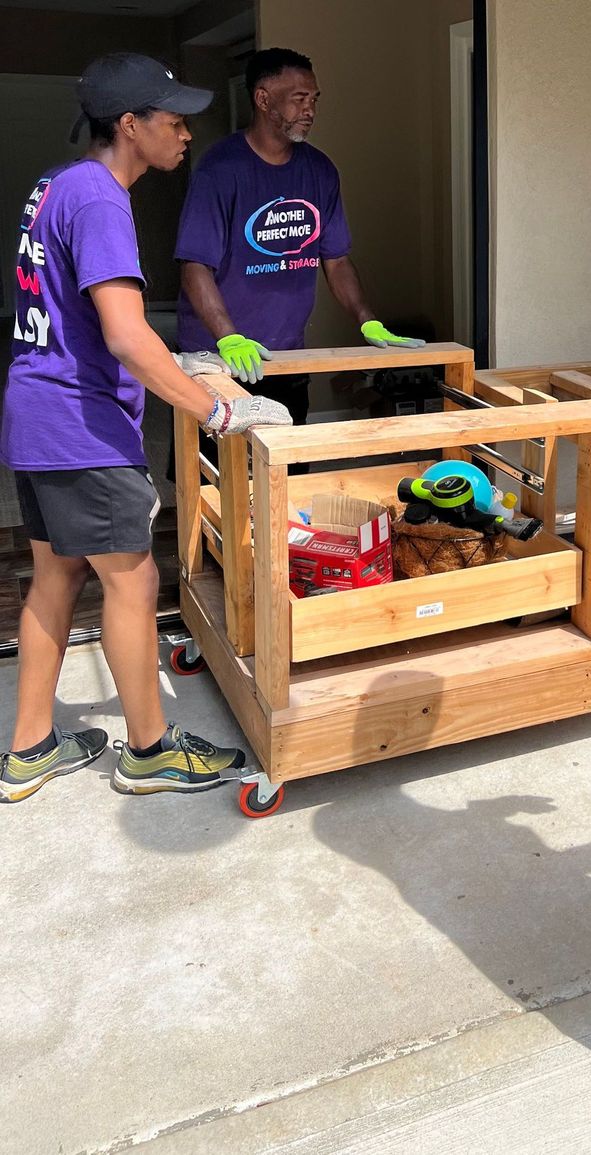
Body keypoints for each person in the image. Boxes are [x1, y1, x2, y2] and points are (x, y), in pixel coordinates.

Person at [0, 53, 292, 804]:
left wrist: (181, 362)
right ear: (130, 126)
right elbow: (127, 335)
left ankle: (30, 747)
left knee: (55, 576)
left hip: (35, 416)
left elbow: (83, 319)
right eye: (172, 120)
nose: (186, 132)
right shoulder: (100, 199)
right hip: (81, 428)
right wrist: (218, 409)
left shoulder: (54, 186)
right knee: (133, 582)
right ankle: (151, 751)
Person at [175, 46, 423, 440]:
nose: (310, 109)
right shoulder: (220, 170)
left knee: (285, 472)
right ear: (263, 99)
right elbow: (194, 266)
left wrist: (367, 318)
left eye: (314, 99)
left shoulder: (320, 171)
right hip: (218, 358)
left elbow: (337, 260)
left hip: (286, 356)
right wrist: (228, 336)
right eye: (299, 99)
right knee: (216, 478)